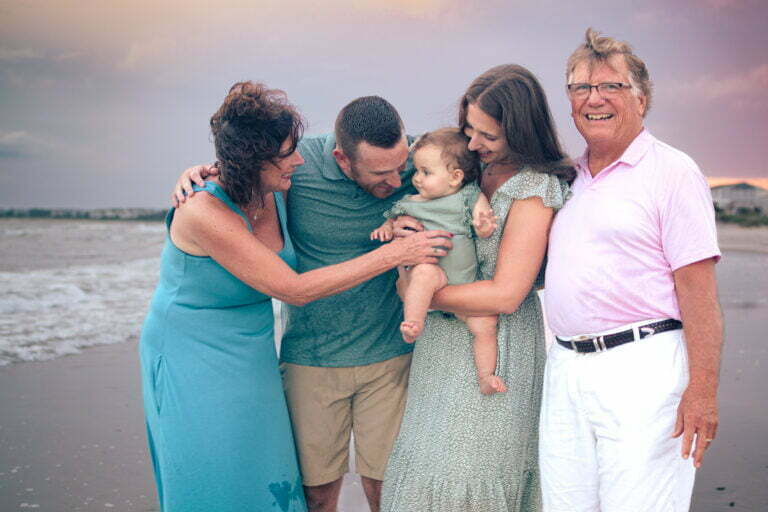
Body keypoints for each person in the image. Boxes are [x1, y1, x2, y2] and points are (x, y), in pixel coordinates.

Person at [141, 83, 451, 512]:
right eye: (288, 153)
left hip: (260, 347)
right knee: (222, 470)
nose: (300, 159)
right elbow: (292, 288)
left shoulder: (282, 184)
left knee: (271, 472)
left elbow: (466, 164)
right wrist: (395, 254)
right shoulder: (220, 202)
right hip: (201, 351)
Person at [540, 29, 723, 512]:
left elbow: (699, 293)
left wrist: (702, 392)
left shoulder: (673, 171)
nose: (594, 98)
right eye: (581, 88)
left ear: (641, 99)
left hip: (643, 370)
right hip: (565, 370)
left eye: (611, 86)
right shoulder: (567, 179)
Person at [380, 64, 574, 511]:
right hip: (437, 346)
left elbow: (507, 294)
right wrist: (405, 236)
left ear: (520, 131)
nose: (472, 144)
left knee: (470, 471)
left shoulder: (535, 188)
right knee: (426, 465)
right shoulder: (461, 169)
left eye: (488, 135)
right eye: (468, 129)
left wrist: (421, 295)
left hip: (495, 345)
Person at [371, 127, 505, 395]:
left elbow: (482, 219)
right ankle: (414, 322)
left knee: (485, 325)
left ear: (455, 177)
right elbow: (393, 220)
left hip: (467, 285)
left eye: (426, 172)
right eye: (417, 170)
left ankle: (486, 376)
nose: (417, 178)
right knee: (423, 274)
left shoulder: (468, 195)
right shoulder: (411, 202)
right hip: (437, 273)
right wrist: (385, 229)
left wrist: (483, 226)